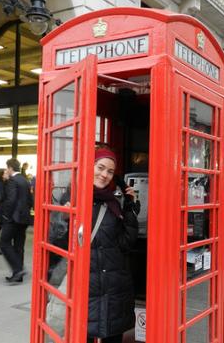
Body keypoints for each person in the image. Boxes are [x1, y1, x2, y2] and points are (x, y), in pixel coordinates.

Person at [87, 147, 139, 343]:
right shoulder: (74, 196)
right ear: (89, 166)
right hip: (88, 287)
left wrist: (129, 206)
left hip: (115, 287)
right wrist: (63, 219)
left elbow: (126, 243)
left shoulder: (114, 202)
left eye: (110, 171)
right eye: (100, 167)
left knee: (113, 336)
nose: (104, 175)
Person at [0, 158, 33, 284]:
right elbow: (30, 200)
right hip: (24, 218)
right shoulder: (25, 180)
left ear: (10, 168)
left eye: (7, 168)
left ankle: (18, 269)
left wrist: (6, 216)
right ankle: (18, 275)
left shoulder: (13, 180)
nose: (6, 170)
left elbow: (10, 200)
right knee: (19, 246)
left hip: (13, 218)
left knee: (4, 243)